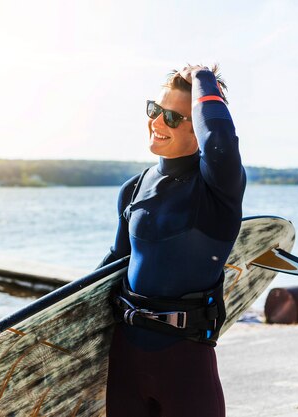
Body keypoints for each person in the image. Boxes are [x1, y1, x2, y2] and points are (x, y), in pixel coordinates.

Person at [100, 64, 246, 416]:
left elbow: (221, 143)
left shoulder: (216, 190)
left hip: (186, 368)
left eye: (172, 117)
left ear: (197, 129)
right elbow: (111, 268)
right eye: (154, 110)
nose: (157, 122)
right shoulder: (133, 188)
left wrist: (202, 78)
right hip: (125, 362)